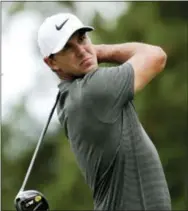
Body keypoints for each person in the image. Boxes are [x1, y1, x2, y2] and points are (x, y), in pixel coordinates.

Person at [37, 12, 171, 210]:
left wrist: (86, 52)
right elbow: (156, 56)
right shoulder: (93, 91)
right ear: (51, 62)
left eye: (82, 39)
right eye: (67, 47)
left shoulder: (72, 98)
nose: (82, 51)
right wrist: (100, 51)